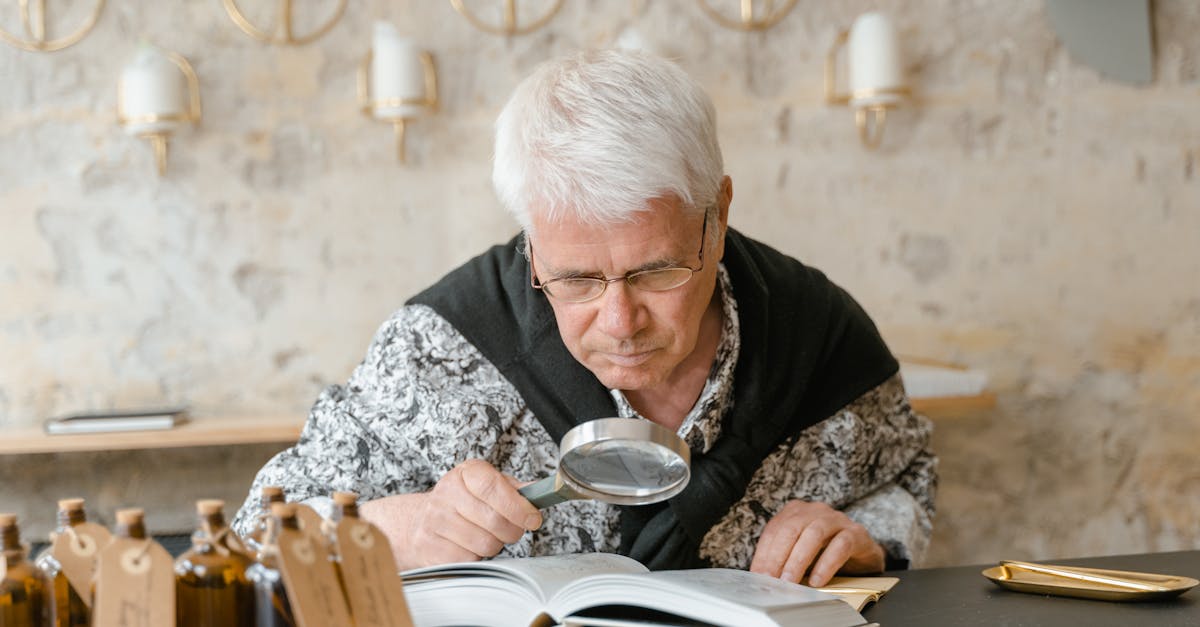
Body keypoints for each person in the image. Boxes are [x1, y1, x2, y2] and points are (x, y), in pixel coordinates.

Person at [232, 49, 936, 587]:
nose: (620, 320)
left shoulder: (818, 332)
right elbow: (257, 534)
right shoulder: (438, 351)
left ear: (716, 217)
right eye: (574, 279)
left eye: (655, 271)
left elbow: (909, 481)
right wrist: (407, 527)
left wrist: (864, 536)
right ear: (532, 242)